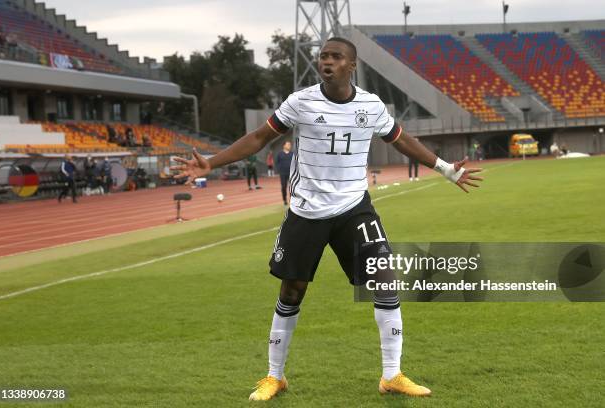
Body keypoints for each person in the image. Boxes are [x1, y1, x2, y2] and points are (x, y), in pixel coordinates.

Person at [171, 37, 482, 401]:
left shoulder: (370, 105)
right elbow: (259, 138)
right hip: (307, 211)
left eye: (336, 57)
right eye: (323, 57)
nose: (327, 62)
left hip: (354, 208)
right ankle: (275, 376)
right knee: (292, 290)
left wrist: (445, 169)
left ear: (352, 66)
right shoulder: (300, 102)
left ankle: (392, 374)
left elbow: (400, 139)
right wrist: (212, 162)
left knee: (384, 280)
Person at [275, 141, 293, 205]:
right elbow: (277, 162)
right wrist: (279, 170)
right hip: (283, 173)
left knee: (292, 187)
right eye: (288, 145)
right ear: (284, 146)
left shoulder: (292, 154)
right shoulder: (280, 154)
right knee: (283, 186)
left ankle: (292, 200)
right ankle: (284, 200)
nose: (289, 146)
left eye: (290, 145)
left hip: (291, 173)